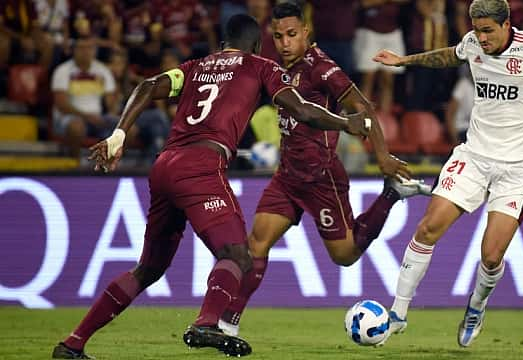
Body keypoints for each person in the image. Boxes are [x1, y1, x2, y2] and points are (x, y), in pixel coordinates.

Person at [51, 14, 370, 359]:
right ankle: (206, 322)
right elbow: (304, 111)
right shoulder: (261, 66)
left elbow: (146, 87)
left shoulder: (195, 66)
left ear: (222, 44)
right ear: (257, 45)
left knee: (148, 268)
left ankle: (72, 344)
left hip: (164, 165)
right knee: (238, 255)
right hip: (201, 166)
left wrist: (119, 134)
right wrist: (346, 122)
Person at [372, 0, 523, 347]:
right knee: (428, 227)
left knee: (491, 256)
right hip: (474, 155)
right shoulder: (473, 42)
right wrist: (405, 60)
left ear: (508, 24)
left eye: (488, 30)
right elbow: (453, 53)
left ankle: (476, 306)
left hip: (519, 165)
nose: (482, 37)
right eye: (477, 29)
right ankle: (398, 314)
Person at [216, 2, 431, 337]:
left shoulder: (321, 68)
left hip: (321, 178)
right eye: (278, 36)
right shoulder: (275, 66)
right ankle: (227, 324)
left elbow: (362, 106)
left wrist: (383, 156)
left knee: (344, 256)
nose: (285, 42)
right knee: (255, 244)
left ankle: (390, 195)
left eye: (291, 35)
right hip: (287, 176)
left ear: (306, 32)